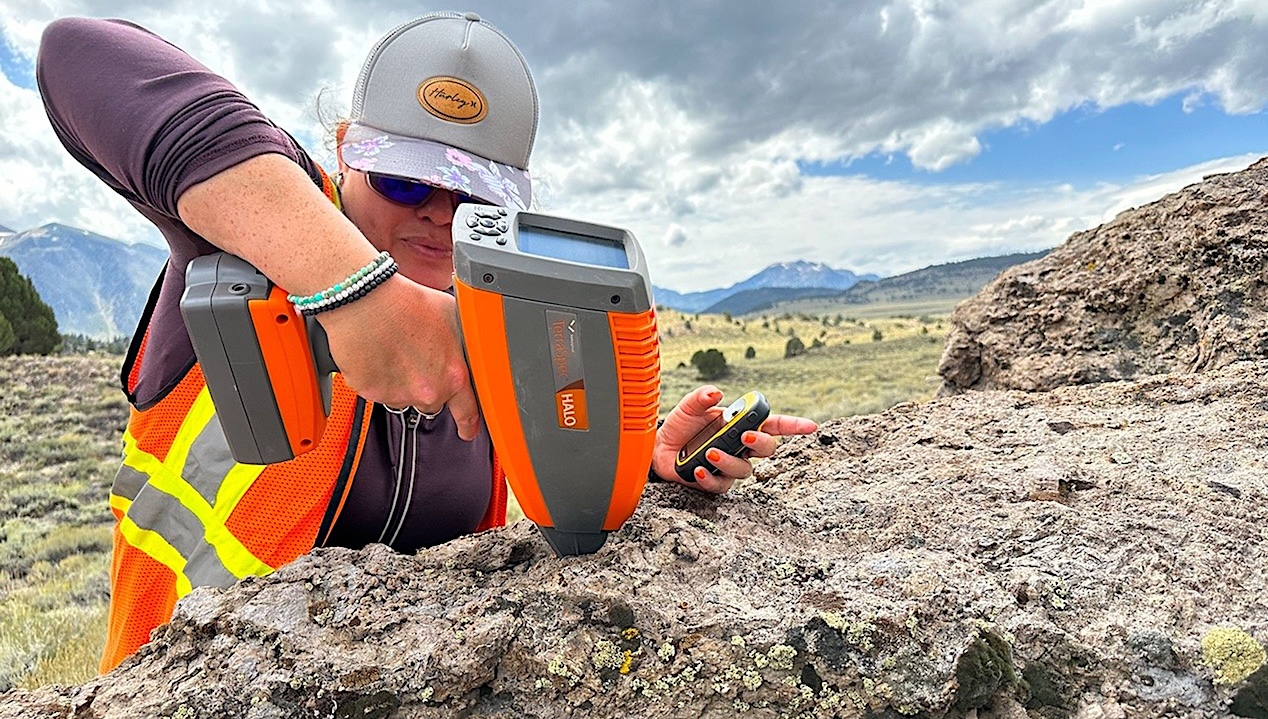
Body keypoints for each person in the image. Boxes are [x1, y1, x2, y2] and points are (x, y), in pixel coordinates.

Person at [37, 12, 818, 674]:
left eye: (475, 196)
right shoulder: (254, 226)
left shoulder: (505, 322)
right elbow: (76, 53)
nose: (439, 216)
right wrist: (353, 289)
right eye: (405, 182)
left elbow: (528, 508)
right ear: (345, 151)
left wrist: (625, 461)